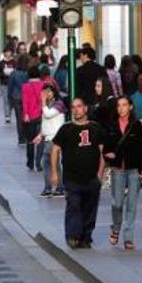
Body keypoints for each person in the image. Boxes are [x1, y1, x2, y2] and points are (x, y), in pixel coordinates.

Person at [51, 97, 105, 249]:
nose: (76, 110)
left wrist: (100, 173)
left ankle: (86, 236)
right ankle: (73, 235)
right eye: (73, 107)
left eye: (79, 106)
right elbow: (55, 149)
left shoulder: (95, 128)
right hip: (72, 178)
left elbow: (102, 151)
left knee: (90, 208)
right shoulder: (66, 129)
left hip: (92, 177)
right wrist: (54, 172)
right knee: (74, 206)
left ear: (85, 108)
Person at [104, 96, 142, 250]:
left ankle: (128, 237)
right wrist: (108, 155)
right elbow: (106, 146)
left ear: (130, 107)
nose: (121, 108)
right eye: (118, 105)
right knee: (117, 202)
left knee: (132, 204)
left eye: (124, 105)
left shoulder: (136, 125)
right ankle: (116, 227)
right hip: (117, 169)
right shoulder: (111, 125)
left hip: (133, 168)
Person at [37, 85, 66, 198]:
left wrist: (43, 102)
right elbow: (45, 122)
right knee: (47, 163)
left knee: (53, 163)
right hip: (48, 138)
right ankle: (50, 187)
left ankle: (57, 187)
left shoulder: (58, 104)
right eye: (44, 92)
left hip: (55, 138)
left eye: (48, 92)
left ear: (54, 92)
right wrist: (41, 135)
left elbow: (48, 115)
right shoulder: (48, 105)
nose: (46, 95)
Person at [22, 66, 44, 171]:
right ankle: (38, 162)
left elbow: (25, 101)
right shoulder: (43, 85)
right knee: (40, 141)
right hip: (41, 116)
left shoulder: (25, 86)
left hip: (30, 117)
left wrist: (26, 114)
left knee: (30, 140)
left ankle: (30, 162)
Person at [8, 54, 30, 145]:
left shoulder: (14, 73)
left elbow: (10, 87)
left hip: (17, 97)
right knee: (27, 118)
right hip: (27, 98)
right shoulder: (28, 73)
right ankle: (26, 135)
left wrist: (10, 98)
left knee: (19, 119)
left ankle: (21, 138)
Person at [0, 48, 17, 124]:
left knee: (12, 100)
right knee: (6, 99)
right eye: (6, 52)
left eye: (9, 52)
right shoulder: (1, 63)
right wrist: (4, 74)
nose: (8, 54)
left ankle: (10, 112)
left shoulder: (14, 62)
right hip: (4, 83)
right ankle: (7, 115)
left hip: (13, 84)